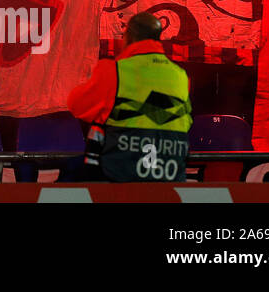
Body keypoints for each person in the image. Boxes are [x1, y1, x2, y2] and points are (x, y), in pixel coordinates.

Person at [67, 11, 192, 182]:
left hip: (122, 171)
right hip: (170, 172)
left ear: (128, 37)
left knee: (73, 169)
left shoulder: (114, 70)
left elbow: (76, 105)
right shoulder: (180, 75)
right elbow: (187, 121)